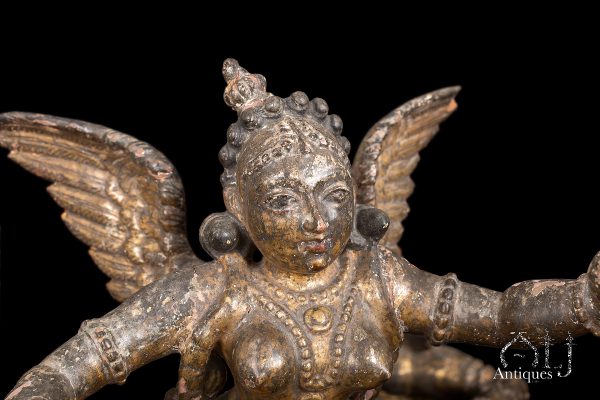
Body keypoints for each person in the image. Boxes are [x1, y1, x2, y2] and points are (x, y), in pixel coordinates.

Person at [3, 59, 599, 400]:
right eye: (284, 200)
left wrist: (584, 299)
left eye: (335, 196)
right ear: (239, 207)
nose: (317, 221)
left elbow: (502, 318)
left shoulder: (380, 278)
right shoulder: (215, 291)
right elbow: (86, 359)